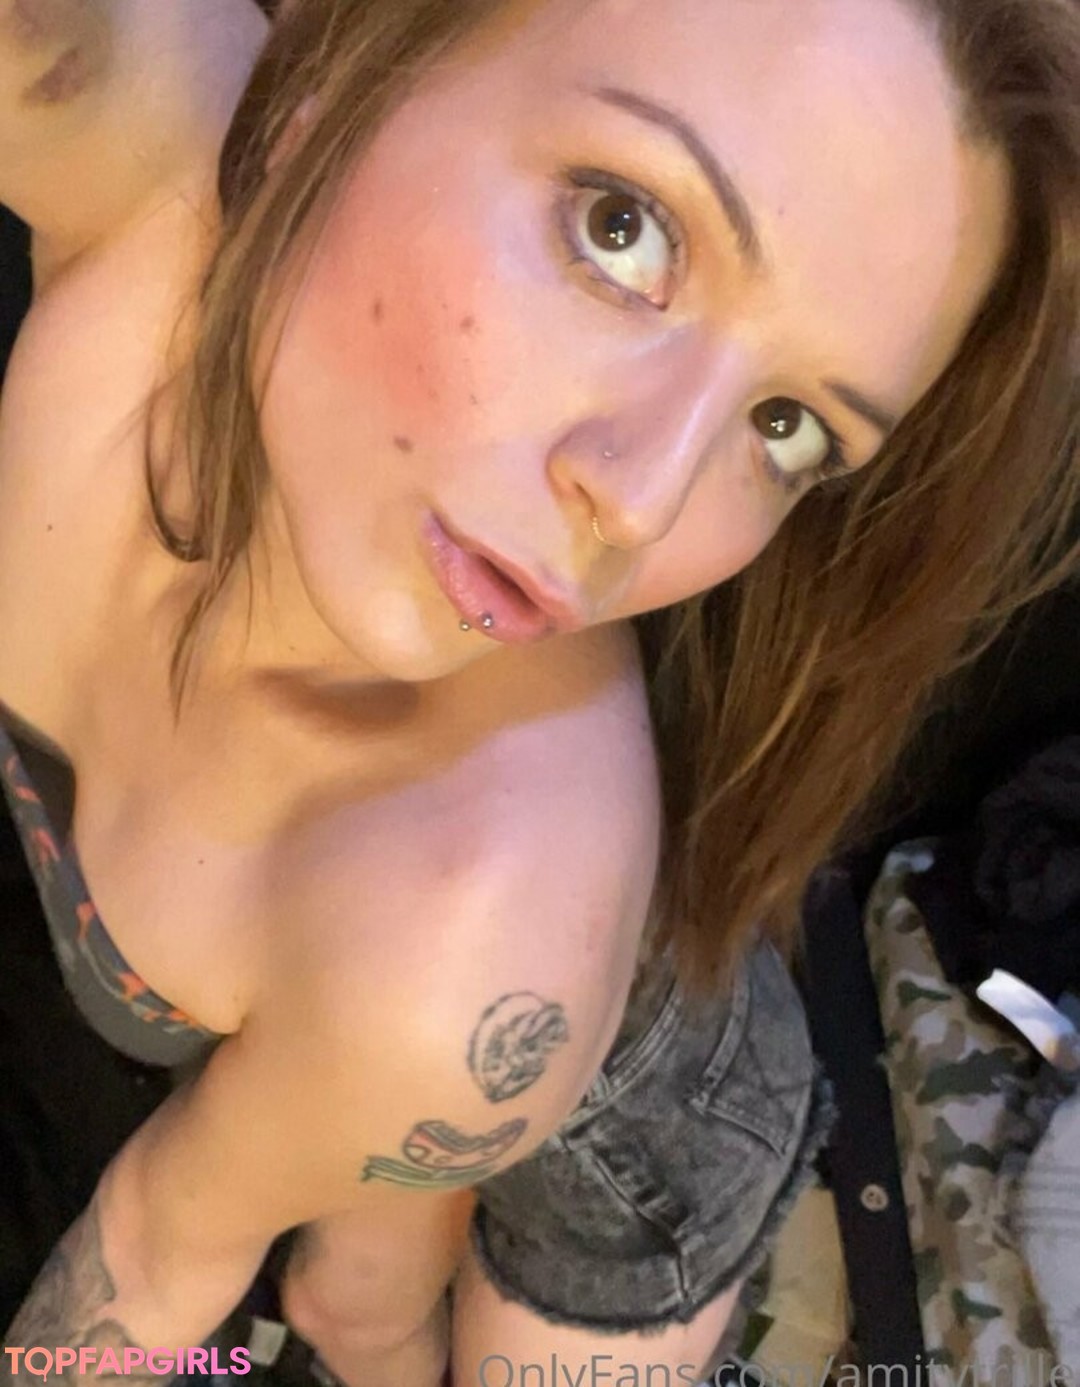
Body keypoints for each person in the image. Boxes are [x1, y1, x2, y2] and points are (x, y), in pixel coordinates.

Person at [0, 0, 1078, 1383]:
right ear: (354, 62)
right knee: (351, 1236)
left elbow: (153, 1259)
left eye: (786, 427)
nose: (641, 504)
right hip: (406, 1010)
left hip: (641, 1111)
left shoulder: (467, 940)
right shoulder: (145, 168)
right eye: (623, 230)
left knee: (363, 1313)